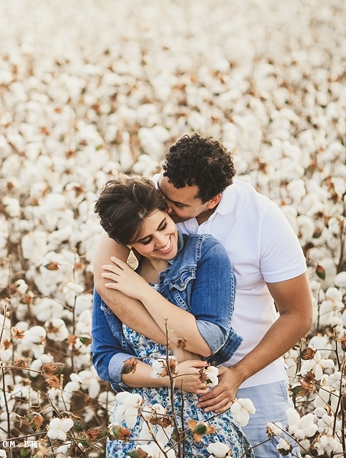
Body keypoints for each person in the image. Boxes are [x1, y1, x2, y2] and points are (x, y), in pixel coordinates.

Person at [93, 134, 312, 458]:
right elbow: (107, 284)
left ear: (213, 200)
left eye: (175, 208)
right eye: (163, 196)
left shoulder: (261, 220)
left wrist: (237, 372)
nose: (166, 208)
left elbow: (298, 315)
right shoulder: (151, 199)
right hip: (162, 393)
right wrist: (175, 363)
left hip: (253, 375)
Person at [91, 175, 252, 457]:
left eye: (164, 226)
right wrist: (167, 377)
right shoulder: (114, 279)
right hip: (137, 425)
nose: (163, 242)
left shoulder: (205, 254)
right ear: (128, 243)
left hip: (202, 417)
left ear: (167, 211)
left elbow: (209, 339)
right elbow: (105, 358)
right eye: (146, 240)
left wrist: (142, 290)